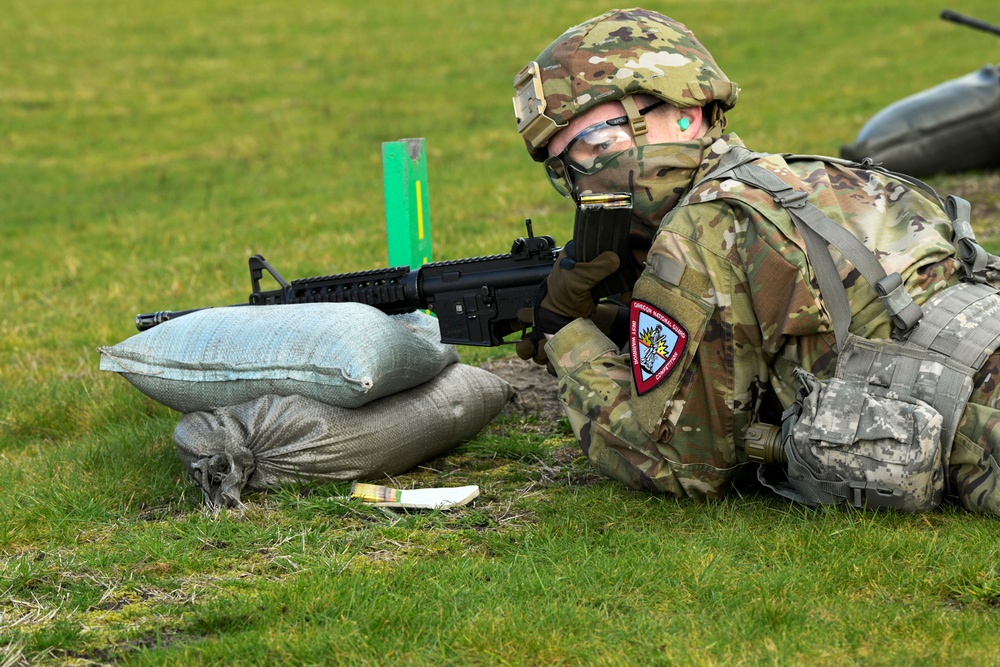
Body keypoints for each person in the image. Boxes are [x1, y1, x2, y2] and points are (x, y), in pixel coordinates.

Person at [511, 8, 1000, 513]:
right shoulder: (817, 176)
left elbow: (684, 466)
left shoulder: (702, 227)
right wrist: (622, 325)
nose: (585, 178)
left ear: (686, 113)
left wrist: (566, 333)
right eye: (566, 167)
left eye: (596, 145)